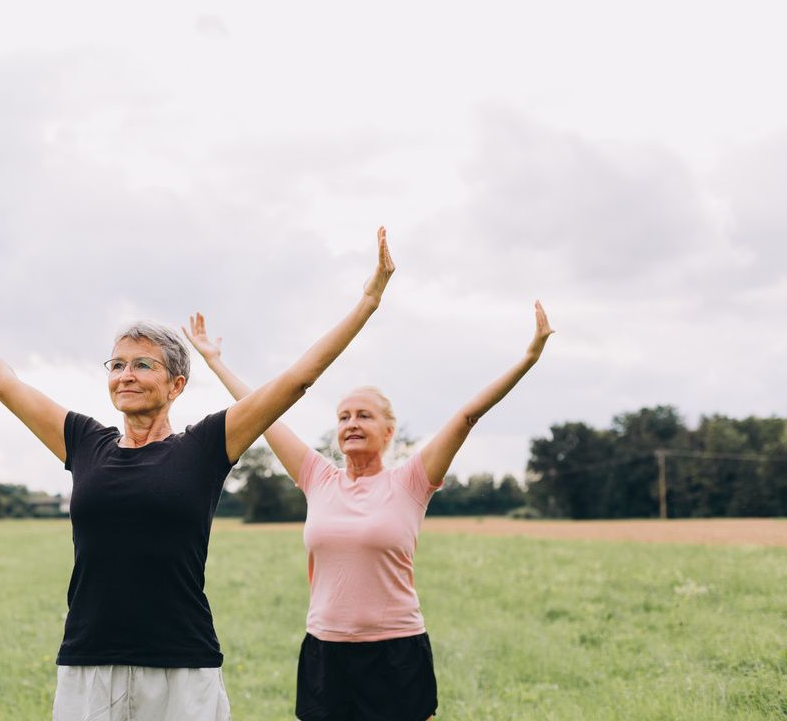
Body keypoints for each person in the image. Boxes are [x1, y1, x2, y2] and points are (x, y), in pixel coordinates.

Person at [0, 228, 396, 721]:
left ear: (177, 384)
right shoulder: (85, 441)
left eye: (142, 364)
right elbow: (4, 383)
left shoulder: (206, 446)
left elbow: (296, 380)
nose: (125, 374)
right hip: (91, 661)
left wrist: (367, 302)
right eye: (117, 364)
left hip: (181, 665)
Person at [185, 301, 554, 721]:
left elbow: (467, 416)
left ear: (389, 430)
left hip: (395, 650)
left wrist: (527, 359)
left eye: (364, 415)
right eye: (343, 417)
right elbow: (264, 414)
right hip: (325, 649)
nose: (351, 424)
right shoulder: (317, 477)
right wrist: (216, 362)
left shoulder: (412, 480)